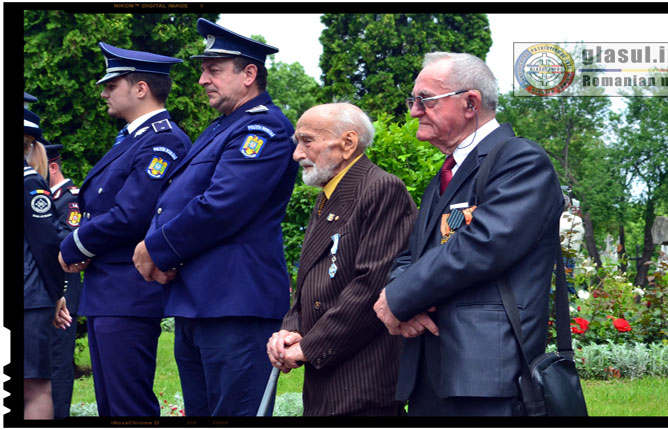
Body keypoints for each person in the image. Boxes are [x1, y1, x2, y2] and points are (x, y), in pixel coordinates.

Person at [373, 52, 564, 416]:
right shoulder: (444, 176)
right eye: (412, 100)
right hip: (432, 369)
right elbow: (411, 254)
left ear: (470, 103)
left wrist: (400, 297)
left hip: (487, 373)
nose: (413, 111)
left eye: (424, 100)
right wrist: (401, 300)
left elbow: (482, 245)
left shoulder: (520, 161)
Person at [132, 18, 299, 416]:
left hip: (235, 304)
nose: (204, 78)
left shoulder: (265, 127)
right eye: (204, 69)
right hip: (200, 301)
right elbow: (175, 199)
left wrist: (155, 248)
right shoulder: (222, 128)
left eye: (215, 69)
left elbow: (223, 205)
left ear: (249, 74)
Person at [57, 42, 192, 417]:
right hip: (109, 288)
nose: (103, 92)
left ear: (140, 88)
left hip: (129, 291)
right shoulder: (135, 139)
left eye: (111, 84)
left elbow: (131, 213)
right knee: (112, 406)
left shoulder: (163, 140)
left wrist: (75, 245)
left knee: (128, 407)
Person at [266, 103, 417, 416]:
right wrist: (290, 331)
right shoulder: (328, 194)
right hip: (329, 378)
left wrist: (308, 347)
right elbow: (310, 280)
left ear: (348, 143)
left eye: (307, 141)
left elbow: (371, 286)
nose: (297, 154)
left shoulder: (381, 188)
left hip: (363, 380)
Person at [24, 108, 69, 419]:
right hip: (28, 296)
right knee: (35, 388)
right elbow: (47, 242)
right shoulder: (29, 182)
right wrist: (56, 294)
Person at [45, 143, 83, 419]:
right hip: (44, 289)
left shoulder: (69, 199)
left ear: (52, 167)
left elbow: (69, 238)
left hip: (64, 287)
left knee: (58, 360)